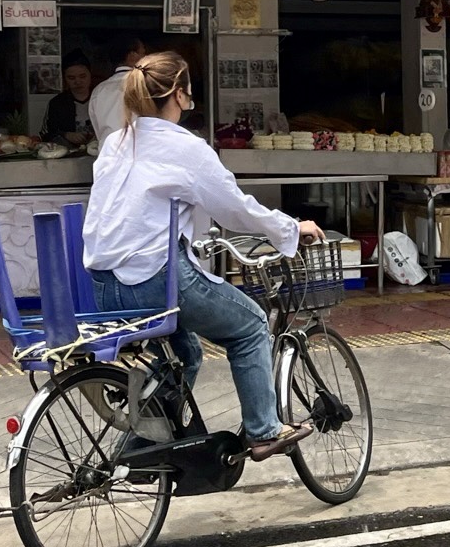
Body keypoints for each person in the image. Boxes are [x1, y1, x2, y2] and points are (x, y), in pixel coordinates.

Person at [82, 51, 323, 460]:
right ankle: (263, 429)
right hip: (155, 281)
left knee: (187, 353)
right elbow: (234, 208)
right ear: (179, 95)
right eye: (188, 92)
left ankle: (142, 447)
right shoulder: (185, 147)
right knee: (248, 325)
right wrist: (289, 228)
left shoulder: (116, 142)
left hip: (105, 288)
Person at [88, 37, 146, 149]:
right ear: (132, 56)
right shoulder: (145, 86)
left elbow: (98, 129)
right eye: (143, 54)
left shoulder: (99, 90)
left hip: (108, 158)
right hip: (138, 157)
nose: (146, 59)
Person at [41, 53, 96, 145]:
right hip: (68, 154)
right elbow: (45, 133)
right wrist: (66, 135)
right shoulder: (57, 103)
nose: (78, 82)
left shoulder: (102, 98)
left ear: (90, 75)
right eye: (71, 78)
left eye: (82, 76)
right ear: (64, 79)